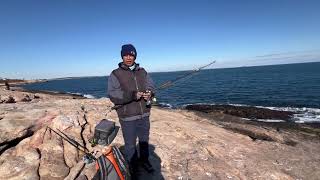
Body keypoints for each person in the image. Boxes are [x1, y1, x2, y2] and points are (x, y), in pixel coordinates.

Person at [107, 44, 155, 177]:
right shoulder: (115, 74)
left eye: (131, 55)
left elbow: (151, 85)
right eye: (125, 55)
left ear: (135, 56)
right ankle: (133, 166)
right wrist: (133, 95)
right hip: (127, 117)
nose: (128, 57)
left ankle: (145, 161)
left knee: (144, 140)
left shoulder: (143, 71)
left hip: (144, 114)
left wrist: (149, 93)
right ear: (122, 56)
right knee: (130, 145)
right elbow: (113, 95)